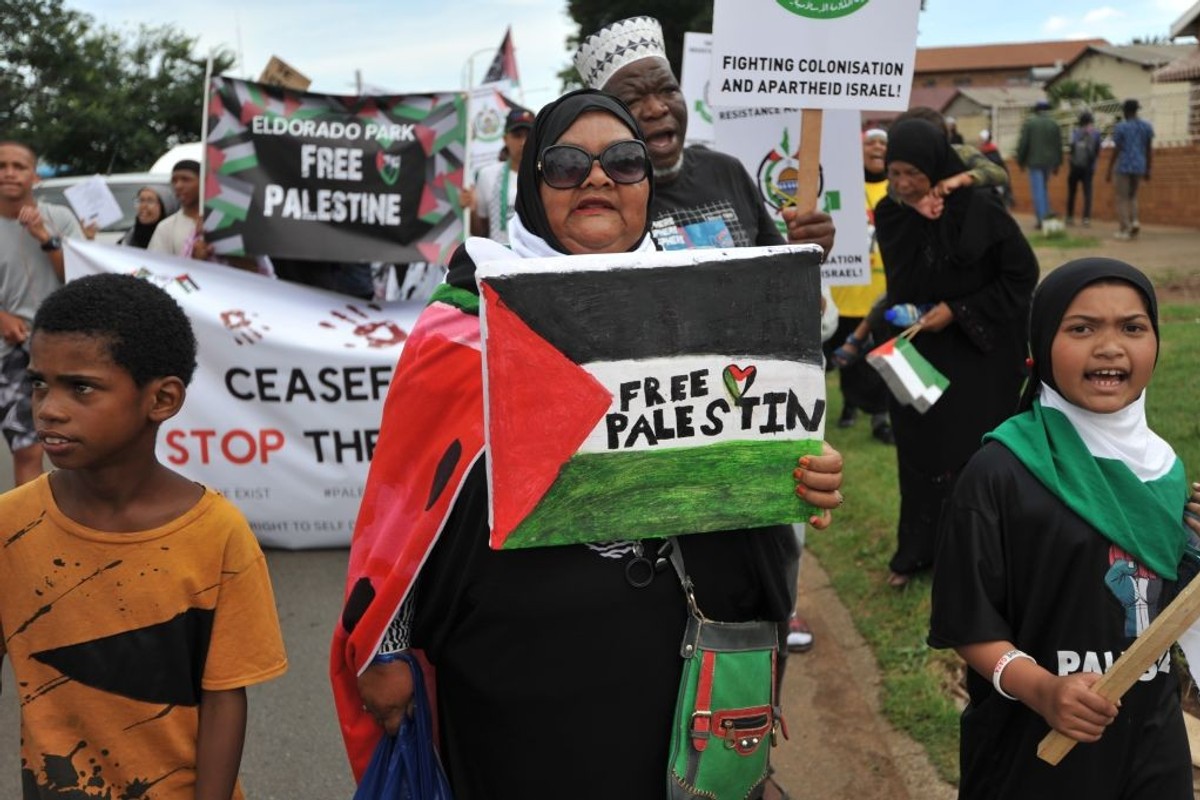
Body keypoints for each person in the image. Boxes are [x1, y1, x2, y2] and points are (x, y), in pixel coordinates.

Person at [330, 89, 845, 800]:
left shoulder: (713, 311)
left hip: (667, 661)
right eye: (568, 164)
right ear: (535, 187)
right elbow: (402, 505)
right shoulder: (462, 324)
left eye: (624, 162)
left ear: (647, 185)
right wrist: (385, 645)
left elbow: (751, 459)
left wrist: (801, 476)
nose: (598, 179)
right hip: (510, 673)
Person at [575, 14, 837, 661]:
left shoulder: (726, 174)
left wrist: (807, 255)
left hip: (754, 414)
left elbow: (781, 283)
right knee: (679, 600)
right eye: (634, 98)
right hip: (665, 429)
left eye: (664, 89)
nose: (657, 108)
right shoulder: (602, 202)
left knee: (768, 572)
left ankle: (747, 748)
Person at [0, 273, 288, 798]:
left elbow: (225, 697)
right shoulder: (10, 525)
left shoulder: (216, 533)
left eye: (80, 387)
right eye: (40, 382)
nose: (48, 407)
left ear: (161, 400)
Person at [928, 257, 1200, 797]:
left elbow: (1173, 595)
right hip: (1036, 743)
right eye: (1081, 328)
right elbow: (968, 623)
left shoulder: (1164, 469)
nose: (1109, 346)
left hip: (1151, 737)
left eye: (1132, 327)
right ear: (1040, 346)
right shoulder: (1003, 470)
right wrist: (1043, 690)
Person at [874, 118, 1039, 588]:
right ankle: (917, 551)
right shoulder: (891, 214)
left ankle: (982, 555)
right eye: (895, 172)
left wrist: (960, 309)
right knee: (919, 451)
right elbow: (903, 282)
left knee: (976, 454)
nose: (903, 183)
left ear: (934, 165)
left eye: (913, 173)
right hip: (918, 350)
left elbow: (1022, 275)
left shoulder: (979, 209)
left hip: (980, 353)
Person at [0, 140, 82, 487]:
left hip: (64, 349)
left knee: (76, 446)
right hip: (9, 353)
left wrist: (44, 237)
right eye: (2, 166)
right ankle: (24, 534)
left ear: (35, 175)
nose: (9, 173)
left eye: (19, 166)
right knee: (27, 449)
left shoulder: (59, 218)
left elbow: (80, 276)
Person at [827, 128, 892, 444]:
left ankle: (881, 415)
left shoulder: (898, 186)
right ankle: (849, 405)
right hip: (849, 289)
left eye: (883, 143)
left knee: (884, 355)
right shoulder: (844, 187)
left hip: (885, 290)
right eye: (871, 142)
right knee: (848, 357)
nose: (877, 147)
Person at [470, 106, 534, 244]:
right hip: (500, 261)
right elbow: (480, 232)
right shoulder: (487, 175)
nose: (523, 142)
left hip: (538, 261)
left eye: (529, 135)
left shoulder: (548, 175)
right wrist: (471, 210)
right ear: (505, 139)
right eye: (517, 136)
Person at [1107, 98, 1154, 241]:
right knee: (1133, 196)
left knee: (1121, 198)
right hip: (1139, 165)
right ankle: (1135, 221)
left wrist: (1109, 169)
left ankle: (1125, 228)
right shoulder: (1146, 127)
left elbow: (1117, 149)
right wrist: (1148, 168)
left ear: (1126, 111)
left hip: (1124, 166)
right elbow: (1148, 149)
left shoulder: (1121, 127)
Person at [148, 159, 213, 259]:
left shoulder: (219, 221)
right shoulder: (165, 227)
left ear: (203, 182)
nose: (178, 186)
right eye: (174, 181)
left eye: (186, 179)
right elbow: (157, 267)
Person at [1016, 99, 1063, 229]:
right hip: (1049, 163)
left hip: (1034, 161)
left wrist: (1020, 161)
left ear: (1036, 111)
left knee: (1038, 191)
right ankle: (1045, 215)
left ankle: (1043, 220)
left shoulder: (1030, 123)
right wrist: (1058, 163)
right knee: (1044, 189)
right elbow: (1058, 145)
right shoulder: (1054, 124)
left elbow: (1024, 144)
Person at [1065, 111, 1101, 227]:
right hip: (1088, 168)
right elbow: (1097, 151)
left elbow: (1071, 150)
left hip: (1075, 167)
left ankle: (1070, 217)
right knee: (1088, 193)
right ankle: (1086, 218)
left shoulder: (1075, 132)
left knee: (1072, 192)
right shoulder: (1096, 134)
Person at [977, 128, 1014, 209]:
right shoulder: (991, 151)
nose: (979, 141)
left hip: (995, 184)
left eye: (980, 139)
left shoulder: (988, 152)